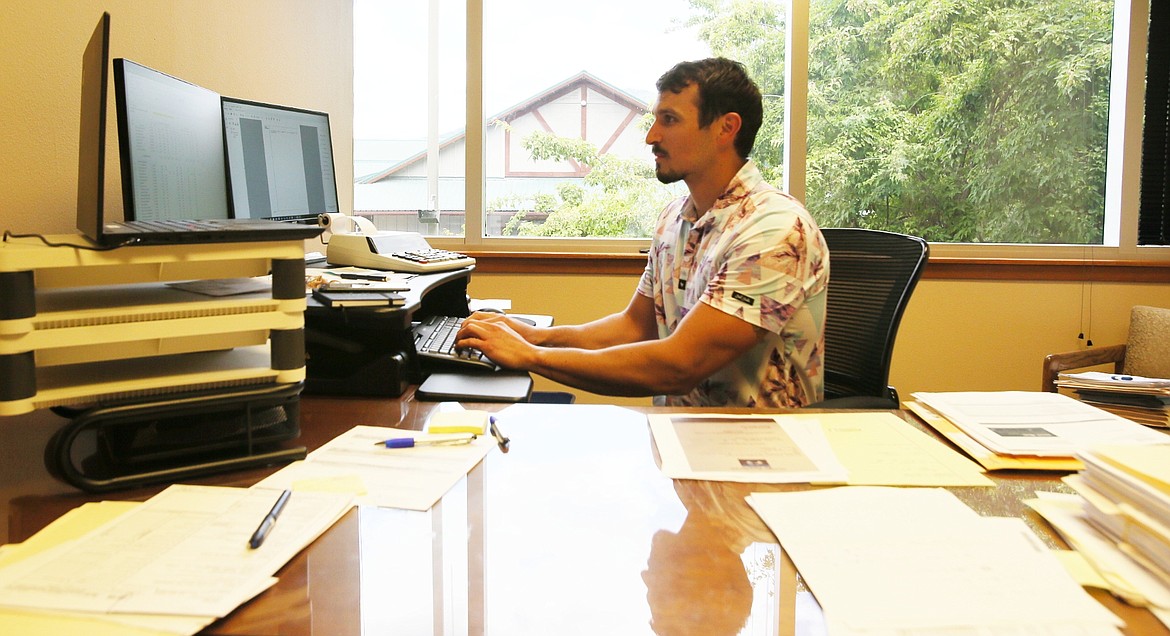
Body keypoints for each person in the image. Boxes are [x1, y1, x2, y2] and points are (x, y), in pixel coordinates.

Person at [455, 57, 829, 407]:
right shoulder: (674, 220)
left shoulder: (774, 229)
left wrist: (532, 356)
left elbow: (680, 365)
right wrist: (529, 334)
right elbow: (634, 327)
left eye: (669, 120)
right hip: (678, 440)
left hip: (760, 460)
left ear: (725, 128)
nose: (651, 137)